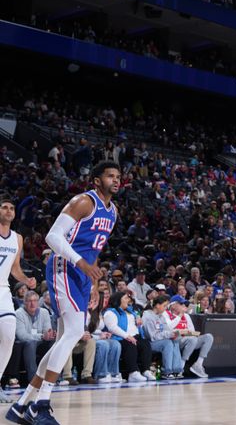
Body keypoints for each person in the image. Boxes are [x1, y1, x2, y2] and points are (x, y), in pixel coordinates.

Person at [8, 162, 119, 425]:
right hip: (63, 267)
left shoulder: (113, 212)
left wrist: (92, 282)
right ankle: (41, 403)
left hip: (82, 275)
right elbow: (53, 237)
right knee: (72, 333)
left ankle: (21, 406)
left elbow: (95, 250)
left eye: (118, 176)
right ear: (96, 180)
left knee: (63, 341)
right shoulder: (83, 202)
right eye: (110, 176)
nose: (115, 180)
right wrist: (80, 263)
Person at [0, 196, 36, 402]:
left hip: (3, 290)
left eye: (12, 208)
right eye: (4, 207)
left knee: (8, 336)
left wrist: (26, 280)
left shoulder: (17, 238)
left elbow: (15, 269)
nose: (8, 211)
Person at [103, 291, 154, 383]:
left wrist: (139, 322)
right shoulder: (111, 312)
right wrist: (127, 336)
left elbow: (135, 325)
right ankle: (133, 373)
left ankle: (146, 370)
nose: (128, 300)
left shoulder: (131, 311)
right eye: (126, 298)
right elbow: (112, 327)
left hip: (135, 335)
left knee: (145, 344)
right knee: (130, 344)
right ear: (118, 300)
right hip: (119, 337)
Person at [165, 295, 211, 378]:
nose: (184, 306)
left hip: (188, 340)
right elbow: (169, 328)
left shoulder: (186, 316)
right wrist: (180, 316)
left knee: (208, 337)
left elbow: (192, 331)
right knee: (192, 339)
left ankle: (198, 364)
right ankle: (180, 367)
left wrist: (187, 333)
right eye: (181, 304)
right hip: (174, 341)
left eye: (184, 304)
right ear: (173, 305)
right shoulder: (166, 314)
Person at [142, 295, 182, 379]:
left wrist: (174, 334)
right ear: (157, 305)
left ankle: (176, 370)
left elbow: (167, 330)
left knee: (176, 339)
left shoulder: (161, 316)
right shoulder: (148, 317)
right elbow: (152, 336)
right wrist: (169, 334)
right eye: (164, 306)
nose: (165, 309)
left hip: (160, 340)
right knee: (167, 343)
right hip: (149, 343)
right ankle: (166, 371)